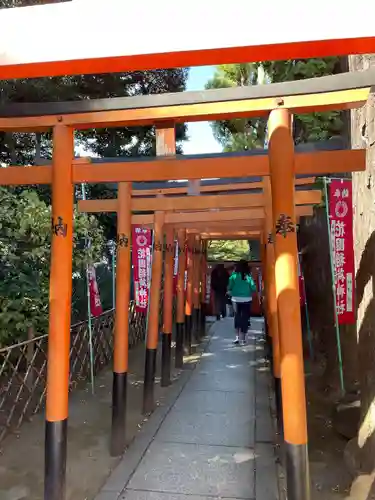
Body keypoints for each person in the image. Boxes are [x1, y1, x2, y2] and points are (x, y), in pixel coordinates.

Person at [227, 260, 256, 345]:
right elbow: (253, 288)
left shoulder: (234, 276)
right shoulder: (248, 276)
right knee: (245, 318)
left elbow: (230, 286)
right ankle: (243, 339)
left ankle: (237, 338)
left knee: (237, 317)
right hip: (247, 299)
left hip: (235, 299)